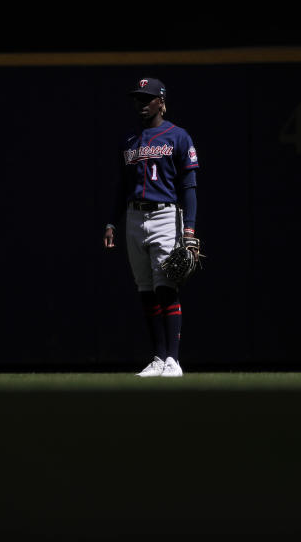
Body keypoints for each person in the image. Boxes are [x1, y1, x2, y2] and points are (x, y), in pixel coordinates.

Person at [103, 77, 200, 378]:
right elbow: (122, 186)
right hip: (134, 217)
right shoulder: (130, 139)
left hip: (165, 215)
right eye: (137, 98)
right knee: (145, 290)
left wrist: (190, 231)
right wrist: (111, 222)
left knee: (165, 287)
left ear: (161, 101)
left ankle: (173, 359)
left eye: (148, 98)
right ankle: (158, 357)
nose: (142, 103)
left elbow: (189, 186)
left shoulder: (178, 136)